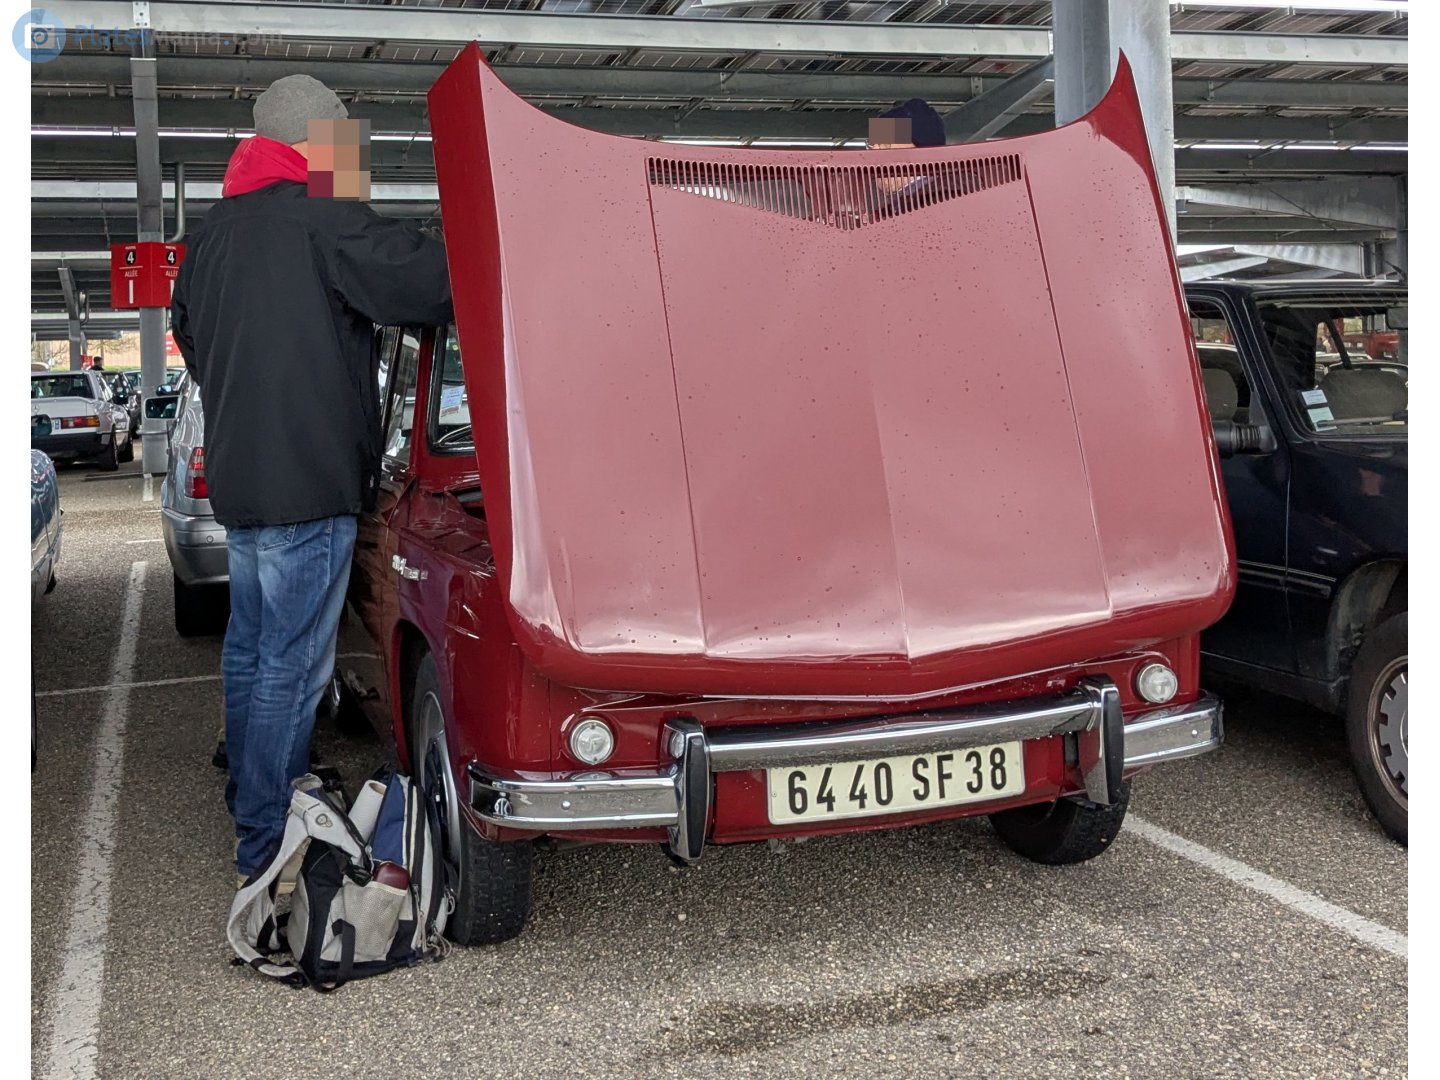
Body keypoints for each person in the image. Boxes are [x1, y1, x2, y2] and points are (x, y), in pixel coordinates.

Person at [171, 74, 454, 887]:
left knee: (254, 651)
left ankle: (249, 791)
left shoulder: (212, 236)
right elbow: (430, 287)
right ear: (314, 143)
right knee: (294, 668)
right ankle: (265, 840)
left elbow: (192, 340)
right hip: (308, 484)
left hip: (245, 485)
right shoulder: (324, 219)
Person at [867, 98, 947, 216]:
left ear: (921, 153)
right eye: (872, 145)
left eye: (886, 145)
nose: (873, 152)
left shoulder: (941, 202)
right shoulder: (902, 207)